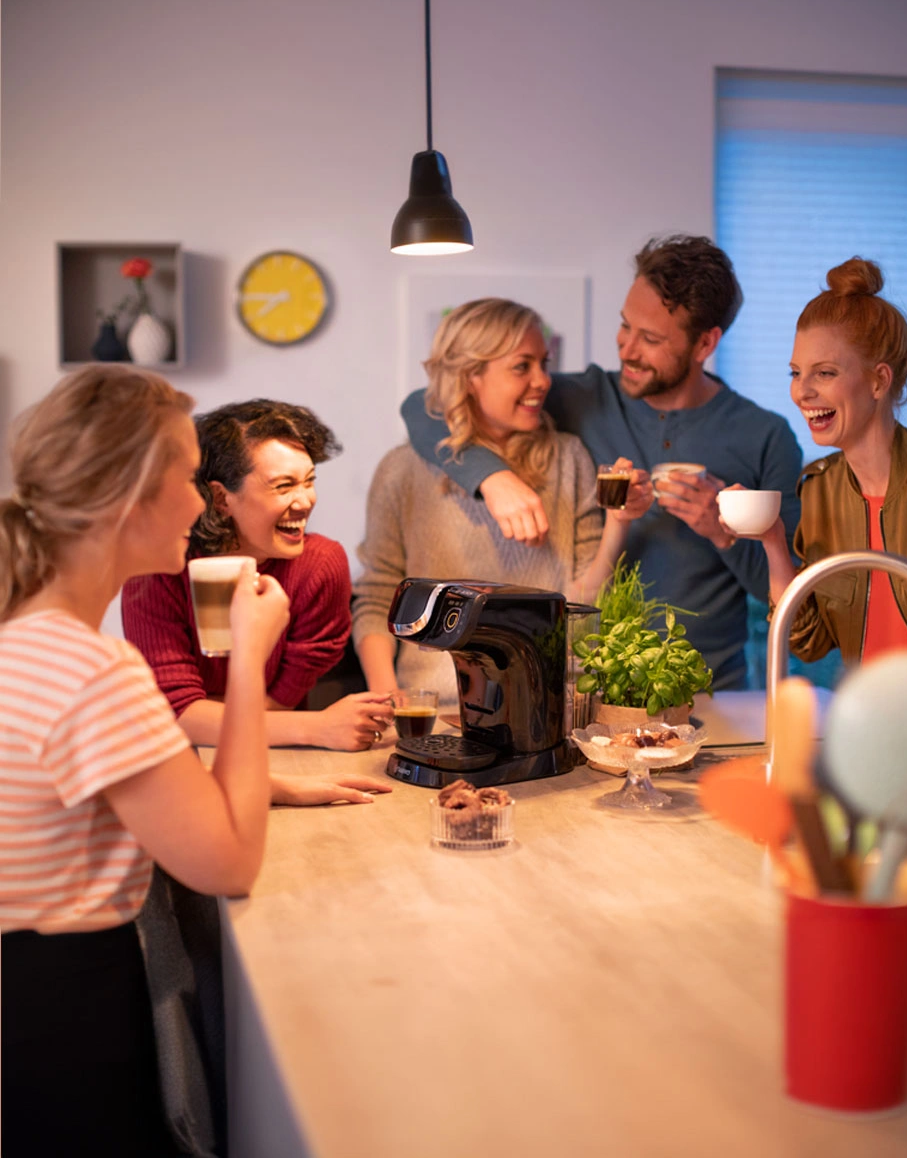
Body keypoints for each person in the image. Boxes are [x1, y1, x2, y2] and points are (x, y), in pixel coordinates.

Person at [0, 367, 389, 1158]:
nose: (197, 500)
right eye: (184, 478)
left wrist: (259, 781)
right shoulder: (97, 671)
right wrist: (246, 658)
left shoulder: (28, 637)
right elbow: (227, 864)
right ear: (131, 498)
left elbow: (102, 799)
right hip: (64, 1006)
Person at [401, 236, 804, 689]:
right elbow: (426, 405)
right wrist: (493, 478)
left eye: (650, 339)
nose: (627, 349)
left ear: (705, 343)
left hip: (709, 689)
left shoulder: (766, 436)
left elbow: (793, 596)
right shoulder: (584, 398)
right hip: (596, 684)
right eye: (625, 325)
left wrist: (722, 532)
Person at [353, 297, 653, 699]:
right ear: (469, 375)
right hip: (434, 705)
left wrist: (620, 522)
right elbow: (377, 598)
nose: (543, 381)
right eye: (522, 366)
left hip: (547, 703)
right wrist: (386, 691)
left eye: (544, 363)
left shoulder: (569, 458)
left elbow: (583, 609)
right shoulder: (401, 470)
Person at [123, 399, 394, 756]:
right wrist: (319, 727)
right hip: (170, 757)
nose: (305, 501)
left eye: (309, 481)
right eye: (283, 486)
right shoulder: (158, 569)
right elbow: (177, 715)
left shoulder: (320, 566)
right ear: (221, 498)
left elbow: (277, 702)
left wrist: (204, 709)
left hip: (270, 755)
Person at [746, 257, 907, 663]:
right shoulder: (819, 489)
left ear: (878, 380)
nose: (801, 392)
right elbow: (807, 640)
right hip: (869, 715)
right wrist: (772, 540)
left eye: (824, 373)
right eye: (795, 373)